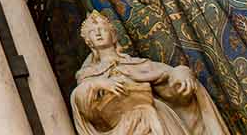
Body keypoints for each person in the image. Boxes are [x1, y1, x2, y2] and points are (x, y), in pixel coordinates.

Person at [69, 12, 231, 134]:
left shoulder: (137, 63)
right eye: (93, 32)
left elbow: (167, 76)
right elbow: (83, 106)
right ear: (89, 42)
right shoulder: (88, 74)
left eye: (102, 29)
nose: (98, 33)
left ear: (113, 36)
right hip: (125, 128)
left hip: (158, 118)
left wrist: (181, 71)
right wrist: (97, 84)